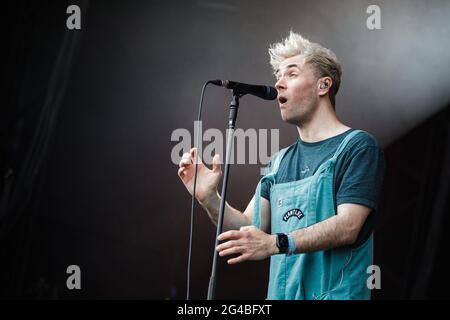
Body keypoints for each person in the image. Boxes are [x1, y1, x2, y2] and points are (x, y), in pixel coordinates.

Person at [177, 31, 385, 300]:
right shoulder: (278, 162)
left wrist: (277, 242)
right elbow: (247, 228)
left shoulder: (358, 146)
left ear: (323, 85)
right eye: (278, 76)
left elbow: (348, 226)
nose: (279, 84)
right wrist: (209, 199)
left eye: (292, 74)